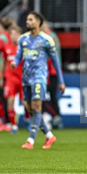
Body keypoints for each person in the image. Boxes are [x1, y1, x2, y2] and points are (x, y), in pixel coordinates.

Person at [11, 12, 65, 149]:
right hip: (26, 78)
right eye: (27, 19)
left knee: (36, 107)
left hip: (39, 77)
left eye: (30, 19)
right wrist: (14, 62)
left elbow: (56, 62)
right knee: (30, 109)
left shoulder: (47, 39)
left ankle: (30, 141)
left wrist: (61, 81)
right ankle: (49, 136)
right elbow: (18, 56)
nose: (27, 22)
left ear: (38, 22)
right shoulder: (23, 39)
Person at [0, 26, 24, 134]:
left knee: (26, 103)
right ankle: (14, 125)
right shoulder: (6, 47)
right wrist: (1, 78)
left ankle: (28, 120)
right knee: (10, 101)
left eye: (16, 34)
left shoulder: (24, 47)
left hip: (23, 78)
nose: (14, 36)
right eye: (12, 34)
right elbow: (3, 63)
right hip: (10, 78)